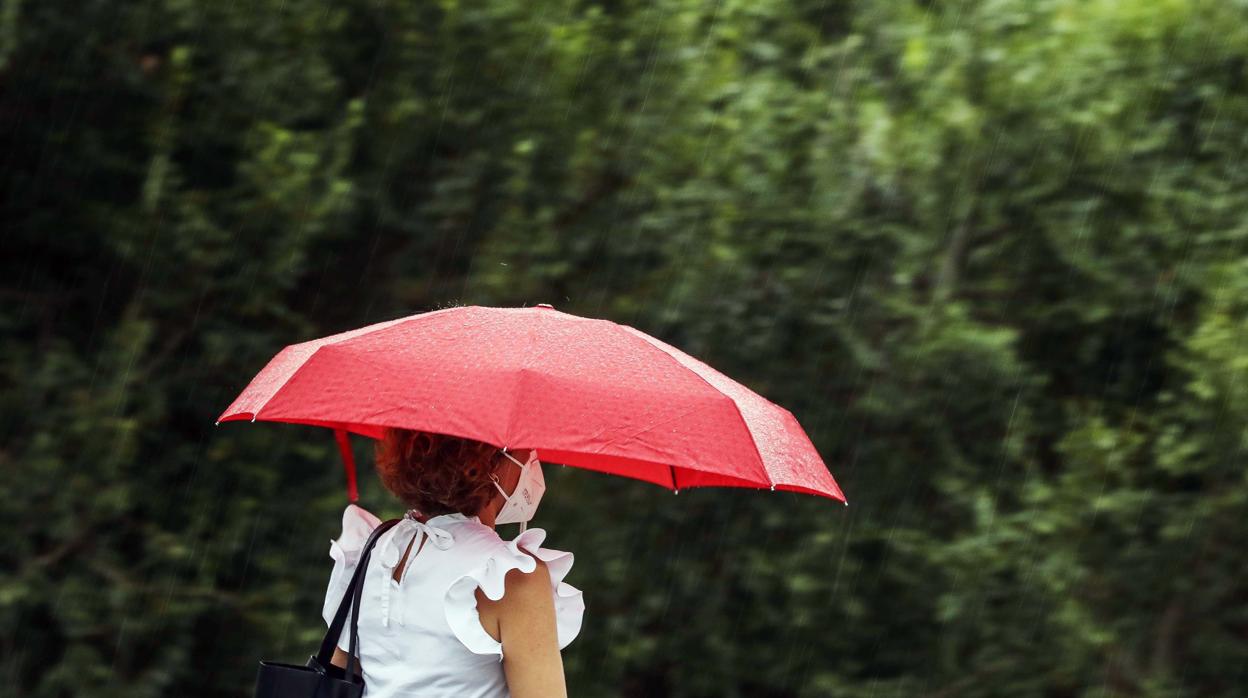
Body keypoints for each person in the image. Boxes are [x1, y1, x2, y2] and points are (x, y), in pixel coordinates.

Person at [321, 427, 583, 698]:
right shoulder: (512, 575)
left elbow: (339, 674)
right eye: (525, 449)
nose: (532, 459)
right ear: (493, 464)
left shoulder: (370, 548)